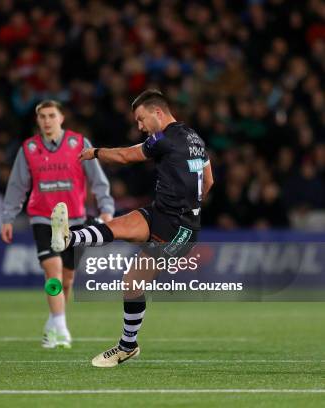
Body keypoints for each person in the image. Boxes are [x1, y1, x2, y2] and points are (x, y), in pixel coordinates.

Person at [50, 89, 214, 365]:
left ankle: (128, 345)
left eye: (141, 119)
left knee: (132, 283)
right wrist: (191, 206)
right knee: (118, 226)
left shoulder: (163, 137)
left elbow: (127, 156)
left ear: (157, 113)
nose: (139, 127)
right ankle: (68, 238)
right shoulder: (195, 138)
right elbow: (208, 181)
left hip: (180, 231)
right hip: (164, 213)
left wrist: (96, 152)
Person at [1, 100, 114, 349]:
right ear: (37, 120)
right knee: (52, 272)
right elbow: (17, 185)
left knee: (67, 280)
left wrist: (106, 208)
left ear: (61, 118)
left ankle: (53, 323)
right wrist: (8, 217)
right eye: (42, 116)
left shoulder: (79, 143)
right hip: (44, 218)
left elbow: (97, 179)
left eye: (51, 115)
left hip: (76, 220)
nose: (47, 120)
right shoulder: (29, 148)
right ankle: (62, 328)